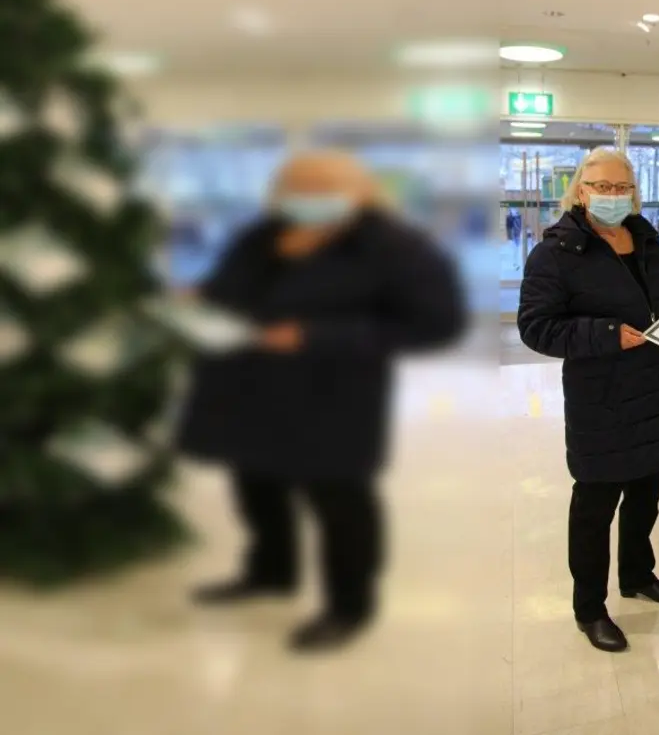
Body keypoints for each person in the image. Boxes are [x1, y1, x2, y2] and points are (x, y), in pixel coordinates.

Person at [178, 150, 466, 653]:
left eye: (322, 189)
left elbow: (438, 324)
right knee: (256, 482)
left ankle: (349, 606)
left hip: (333, 395)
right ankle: (270, 573)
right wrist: (203, 297)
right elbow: (230, 287)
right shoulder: (261, 236)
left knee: (338, 501)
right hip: (246, 386)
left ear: (358, 192)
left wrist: (316, 336)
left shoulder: (395, 248)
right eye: (296, 189)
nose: (307, 200)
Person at [517, 148, 659, 653]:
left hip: (656, 387)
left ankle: (638, 574)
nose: (613, 196)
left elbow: (656, 295)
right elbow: (536, 327)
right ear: (581, 191)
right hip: (604, 401)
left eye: (622, 188)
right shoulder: (556, 253)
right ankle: (589, 608)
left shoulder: (645, 238)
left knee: (646, 495)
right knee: (595, 508)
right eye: (602, 186)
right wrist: (606, 334)